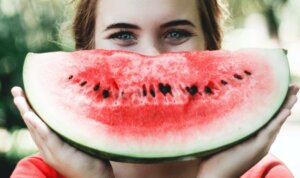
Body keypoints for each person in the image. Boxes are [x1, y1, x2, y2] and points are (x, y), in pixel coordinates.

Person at [10, 0, 299, 177]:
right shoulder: (39, 174)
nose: (151, 58)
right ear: (86, 50)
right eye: (123, 35)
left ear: (211, 47)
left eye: (176, 33)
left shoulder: (267, 175)